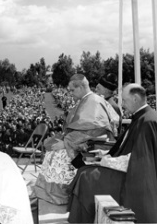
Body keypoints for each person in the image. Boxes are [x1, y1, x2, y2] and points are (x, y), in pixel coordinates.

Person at [67, 83, 157, 223]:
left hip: (133, 177)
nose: (122, 105)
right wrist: (104, 155)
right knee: (83, 170)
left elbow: (138, 160)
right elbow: (125, 148)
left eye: (124, 100)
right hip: (127, 169)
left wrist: (104, 161)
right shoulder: (140, 117)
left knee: (86, 176)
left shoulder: (147, 121)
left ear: (135, 98)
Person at [34, 74, 115, 205]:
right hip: (80, 140)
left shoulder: (93, 101)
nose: (70, 93)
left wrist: (65, 143)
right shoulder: (86, 99)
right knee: (51, 148)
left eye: (72, 90)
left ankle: (59, 195)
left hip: (91, 145)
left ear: (82, 87)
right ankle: (48, 192)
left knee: (58, 154)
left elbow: (91, 129)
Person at [96, 73, 122, 137]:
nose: (96, 90)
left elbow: (113, 133)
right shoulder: (102, 102)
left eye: (98, 88)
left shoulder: (112, 106)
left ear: (105, 91)